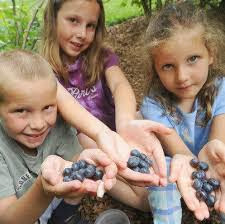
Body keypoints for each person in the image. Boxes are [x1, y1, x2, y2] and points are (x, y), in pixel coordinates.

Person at [40, 0, 172, 187]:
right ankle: (139, 194)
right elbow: (65, 102)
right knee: (86, 141)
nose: (81, 34)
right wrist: (102, 134)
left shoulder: (101, 56)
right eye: (73, 20)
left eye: (90, 25)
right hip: (88, 135)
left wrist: (126, 122)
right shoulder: (43, 69)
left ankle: (172, 162)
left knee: (143, 118)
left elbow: (119, 85)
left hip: (117, 124)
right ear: (52, 19)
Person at [0, 50, 118, 224]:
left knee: (75, 182)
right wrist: (43, 189)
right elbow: (7, 219)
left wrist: (86, 164)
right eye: (21, 111)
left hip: (51, 198)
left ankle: (63, 217)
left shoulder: (58, 125)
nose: (39, 124)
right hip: (20, 212)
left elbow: (74, 161)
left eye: (48, 107)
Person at [140, 1, 225, 223]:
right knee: (164, 168)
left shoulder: (221, 89)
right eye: (168, 66)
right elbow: (182, 156)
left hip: (212, 168)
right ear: (156, 69)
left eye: (192, 59)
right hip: (181, 172)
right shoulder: (153, 105)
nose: (182, 77)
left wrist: (215, 155)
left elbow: (217, 145)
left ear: (211, 54)